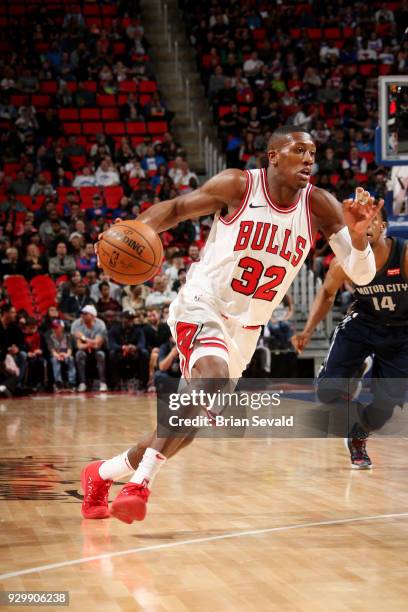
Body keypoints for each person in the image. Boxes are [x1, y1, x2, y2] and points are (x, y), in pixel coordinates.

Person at [82, 126, 382, 523]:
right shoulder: (239, 185)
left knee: (185, 430)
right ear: (273, 156)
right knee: (212, 377)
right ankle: (140, 486)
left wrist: (359, 240)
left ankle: (101, 474)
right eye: (298, 150)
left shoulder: (320, 206)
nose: (309, 159)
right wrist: (137, 231)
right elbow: (174, 209)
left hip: (247, 329)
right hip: (203, 303)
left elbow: (361, 276)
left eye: (313, 152)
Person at [292, 208, 408, 469]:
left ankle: (358, 434)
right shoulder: (345, 261)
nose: (367, 225)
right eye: (360, 221)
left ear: (385, 226)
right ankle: (355, 369)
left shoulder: (404, 255)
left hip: (400, 332)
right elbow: (326, 294)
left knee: (383, 412)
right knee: (327, 391)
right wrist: (308, 330)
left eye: (373, 220)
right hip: (362, 326)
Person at [108, 311, 149, 390]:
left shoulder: (138, 329)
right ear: (122, 319)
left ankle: (143, 383)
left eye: (131, 319)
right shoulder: (114, 329)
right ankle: (115, 383)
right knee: (112, 354)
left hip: (134, 352)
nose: (129, 321)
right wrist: (122, 347)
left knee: (144, 353)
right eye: (127, 319)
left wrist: (134, 347)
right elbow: (112, 344)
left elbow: (142, 343)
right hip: (120, 352)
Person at [71, 305, 108, 392]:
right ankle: (82, 383)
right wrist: (89, 341)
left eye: (85, 314)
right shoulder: (76, 324)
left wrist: (85, 339)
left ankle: (103, 382)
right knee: (79, 354)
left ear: (92, 315)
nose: (82, 315)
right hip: (83, 349)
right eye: (82, 314)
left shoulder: (100, 324)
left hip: (97, 349)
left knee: (101, 355)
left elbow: (98, 344)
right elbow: (79, 345)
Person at [46, 319, 76, 392]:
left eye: (57, 327)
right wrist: (58, 355)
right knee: (54, 360)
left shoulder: (68, 336)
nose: (55, 329)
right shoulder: (50, 337)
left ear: (62, 328)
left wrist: (65, 355)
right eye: (53, 327)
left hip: (66, 355)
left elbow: (69, 350)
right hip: (56, 355)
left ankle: (72, 382)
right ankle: (58, 383)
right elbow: (52, 350)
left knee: (71, 359)